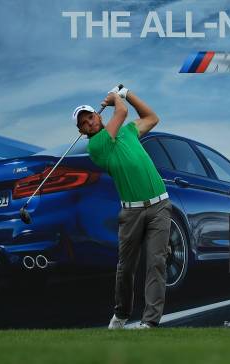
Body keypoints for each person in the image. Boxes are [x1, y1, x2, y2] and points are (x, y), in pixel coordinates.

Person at [74, 86, 171, 329]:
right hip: (132, 213)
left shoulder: (128, 132)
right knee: (126, 267)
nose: (89, 123)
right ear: (82, 131)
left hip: (160, 205)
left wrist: (128, 93)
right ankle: (122, 314)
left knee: (156, 262)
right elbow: (122, 112)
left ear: (99, 115)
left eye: (90, 117)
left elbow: (152, 117)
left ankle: (150, 322)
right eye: (84, 123)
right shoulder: (96, 147)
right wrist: (117, 98)